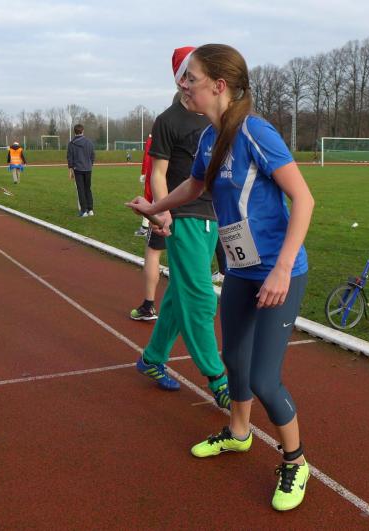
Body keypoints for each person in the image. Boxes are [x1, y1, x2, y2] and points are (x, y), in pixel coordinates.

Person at [130, 43, 315, 512]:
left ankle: (295, 461)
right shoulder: (210, 139)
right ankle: (238, 432)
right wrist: (155, 208)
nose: (182, 85)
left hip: (278, 273)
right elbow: (195, 185)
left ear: (219, 85)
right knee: (233, 358)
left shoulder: (256, 132)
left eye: (190, 77)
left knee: (264, 379)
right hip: (240, 270)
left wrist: (281, 269)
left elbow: (304, 199)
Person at [131, 46, 231, 413]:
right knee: (202, 297)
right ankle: (218, 380)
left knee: (178, 296)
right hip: (184, 216)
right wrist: (164, 213)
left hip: (212, 217)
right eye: (190, 73)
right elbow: (157, 174)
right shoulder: (168, 120)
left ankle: (152, 358)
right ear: (181, 79)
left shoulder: (215, 117)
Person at [130, 133, 163, 320]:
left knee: (153, 252)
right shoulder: (205, 132)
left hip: (165, 204)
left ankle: (149, 305)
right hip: (199, 209)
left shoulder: (163, 131)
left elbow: (155, 169)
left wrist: (151, 206)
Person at [67, 124, 95, 217]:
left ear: (74, 132)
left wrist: (70, 169)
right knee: (88, 189)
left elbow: (70, 157)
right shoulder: (89, 142)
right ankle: (90, 210)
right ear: (82, 131)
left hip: (78, 169)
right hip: (88, 169)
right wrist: (90, 164)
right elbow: (92, 155)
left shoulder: (71, 144)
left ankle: (84, 211)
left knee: (81, 190)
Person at [134, 134, 153, 238]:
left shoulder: (152, 138)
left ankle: (145, 227)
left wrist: (143, 172)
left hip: (153, 171)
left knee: (148, 198)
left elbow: (147, 156)